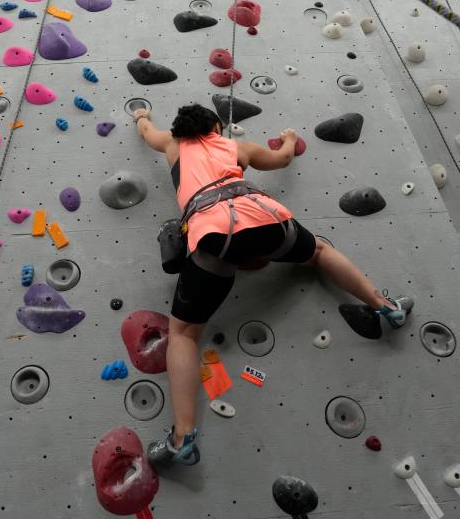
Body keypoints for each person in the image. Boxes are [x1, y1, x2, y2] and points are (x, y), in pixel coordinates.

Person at [133, 103, 414, 467]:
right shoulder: (238, 147)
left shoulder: (172, 144)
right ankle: (387, 308)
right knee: (319, 252)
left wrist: (140, 114)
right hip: (265, 218)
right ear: (216, 126)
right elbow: (282, 160)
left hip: (216, 234)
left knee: (184, 335)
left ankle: (182, 438)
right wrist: (290, 139)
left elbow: (146, 133)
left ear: (180, 131)